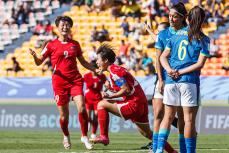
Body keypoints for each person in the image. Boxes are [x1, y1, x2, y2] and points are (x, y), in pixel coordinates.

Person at [90, 44, 176, 153]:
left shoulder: (114, 71)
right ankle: (172, 152)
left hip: (134, 103)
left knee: (101, 104)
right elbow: (127, 87)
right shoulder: (117, 69)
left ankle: (104, 136)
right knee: (147, 133)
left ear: (105, 60)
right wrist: (111, 88)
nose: (97, 62)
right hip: (141, 102)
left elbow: (125, 89)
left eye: (98, 60)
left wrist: (110, 95)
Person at [28, 16, 97, 150]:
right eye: (62, 25)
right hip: (59, 83)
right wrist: (35, 56)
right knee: (64, 116)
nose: (65, 27)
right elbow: (39, 62)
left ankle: (84, 136)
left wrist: (95, 69)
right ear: (57, 27)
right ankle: (66, 135)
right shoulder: (51, 45)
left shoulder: (75, 44)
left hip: (75, 80)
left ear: (70, 27)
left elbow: (82, 62)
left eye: (67, 25)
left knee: (82, 108)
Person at [157, 6, 210, 153]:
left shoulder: (174, 35)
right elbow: (199, 64)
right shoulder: (204, 39)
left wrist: (170, 71)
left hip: (171, 80)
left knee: (167, 117)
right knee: (188, 121)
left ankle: (158, 150)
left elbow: (162, 57)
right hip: (188, 81)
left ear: (187, 18)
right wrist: (180, 72)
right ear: (203, 20)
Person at [152, 3, 188, 153]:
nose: (171, 19)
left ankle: (183, 148)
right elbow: (158, 58)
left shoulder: (187, 32)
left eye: (174, 16)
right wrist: (160, 79)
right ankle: (156, 149)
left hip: (182, 79)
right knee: (159, 114)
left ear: (182, 17)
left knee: (180, 117)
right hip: (164, 79)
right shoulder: (163, 34)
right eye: (169, 16)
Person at [83, 61, 106, 139]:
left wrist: (104, 91)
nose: (92, 71)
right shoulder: (86, 76)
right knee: (88, 117)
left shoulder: (102, 76)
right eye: (91, 69)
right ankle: (88, 127)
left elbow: (106, 85)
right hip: (88, 98)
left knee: (96, 116)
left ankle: (93, 133)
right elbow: (79, 83)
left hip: (98, 99)